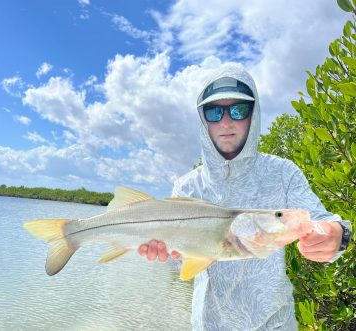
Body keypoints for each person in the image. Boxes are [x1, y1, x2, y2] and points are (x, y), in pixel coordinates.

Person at [138, 66, 351, 330]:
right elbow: (180, 264)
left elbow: (321, 222)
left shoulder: (283, 173)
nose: (226, 123)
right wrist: (165, 253)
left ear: (254, 113)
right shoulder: (187, 187)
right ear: (203, 120)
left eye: (238, 110)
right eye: (214, 112)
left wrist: (337, 235)